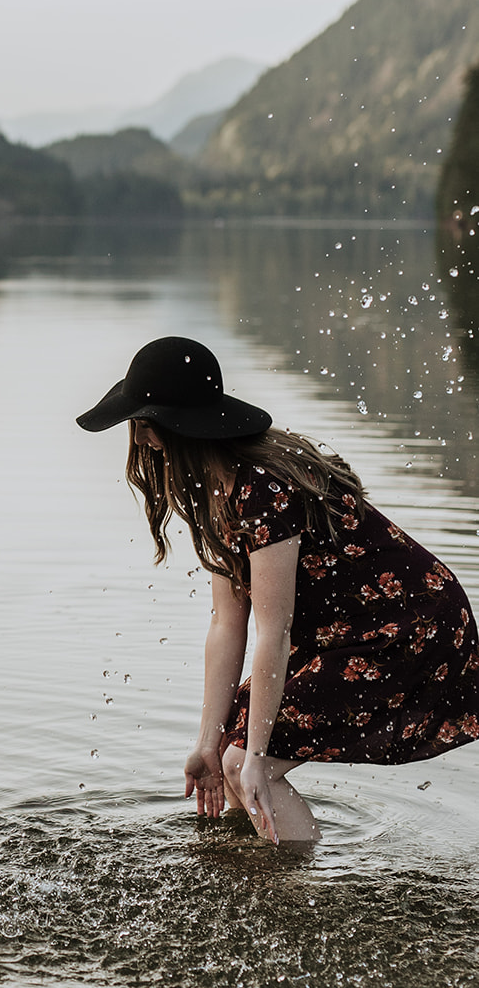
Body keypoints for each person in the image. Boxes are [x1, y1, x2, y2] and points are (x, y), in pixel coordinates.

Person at [77, 336, 479, 844]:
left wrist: (257, 756)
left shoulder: (263, 489)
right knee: (225, 755)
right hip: (351, 629)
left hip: (408, 630)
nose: (139, 440)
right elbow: (228, 622)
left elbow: (274, 631)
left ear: (159, 432)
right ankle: (264, 877)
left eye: (139, 425)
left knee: (249, 763)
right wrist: (205, 741)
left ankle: (297, 897)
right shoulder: (216, 488)